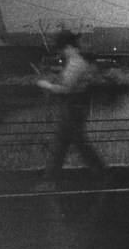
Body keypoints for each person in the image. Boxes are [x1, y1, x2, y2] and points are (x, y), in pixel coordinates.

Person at [36, 29, 107, 189]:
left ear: (67, 46)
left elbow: (66, 88)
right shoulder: (76, 62)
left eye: (61, 48)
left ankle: (49, 181)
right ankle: (102, 174)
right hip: (75, 107)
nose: (60, 52)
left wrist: (46, 85)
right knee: (77, 144)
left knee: (60, 144)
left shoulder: (75, 64)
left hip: (71, 107)